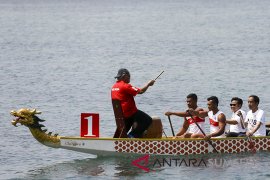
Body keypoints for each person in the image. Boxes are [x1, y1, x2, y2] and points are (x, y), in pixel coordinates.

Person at [111, 68, 155, 138]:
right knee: (147, 120)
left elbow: (122, 97)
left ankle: (119, 139)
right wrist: (148, 84)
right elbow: (140, 91)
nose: (129, 78)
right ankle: (131, 137)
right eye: (129, 76)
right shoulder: (125, 86)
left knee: (132, 121)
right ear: (124, 76)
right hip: (129, 113)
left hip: (121, 114)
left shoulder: (114, 87)